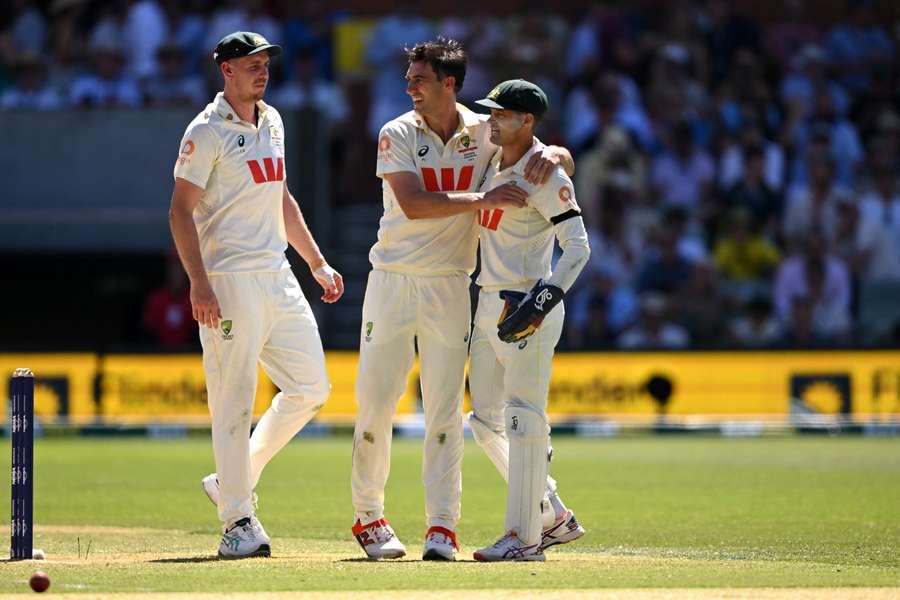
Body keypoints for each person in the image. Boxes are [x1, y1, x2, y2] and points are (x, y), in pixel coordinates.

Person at [351, 39, 574, 561]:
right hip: (392, 279)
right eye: (408, 78)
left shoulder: (484, 130)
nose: (410, 87)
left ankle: (441, 527)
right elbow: (411, 203)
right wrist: (483, 198)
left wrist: (555, 155)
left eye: (419, 79)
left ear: (450, 84)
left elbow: (535, 146)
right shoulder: (398, 132)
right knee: (377, 403)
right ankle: (369, 517)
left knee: (446, 411)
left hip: (453, 283)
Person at [168, 31, 344, 560]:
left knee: (311, 387)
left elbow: (281, 196)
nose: (261, 71)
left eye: (265, 62)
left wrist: (315, 261)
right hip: (228, 279)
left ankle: (231, 478)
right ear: (226, 70)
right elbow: (180, 210)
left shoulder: (273, 120)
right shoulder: (205, 131)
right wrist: (198, 281)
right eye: (250, 64)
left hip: (277, 273)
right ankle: (237, 521)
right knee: (233, 400)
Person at [468, 80, 590, 561]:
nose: (491, 120)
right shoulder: (491, 156)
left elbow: (578, 247)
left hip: (526, 305)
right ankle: (551, 512)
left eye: (502, 114)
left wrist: (543, 300)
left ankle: (525, 540)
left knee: (523, 419)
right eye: (491, 113)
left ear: (527, 121)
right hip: (487, 300)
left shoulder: (546, 175)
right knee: (483, 423)